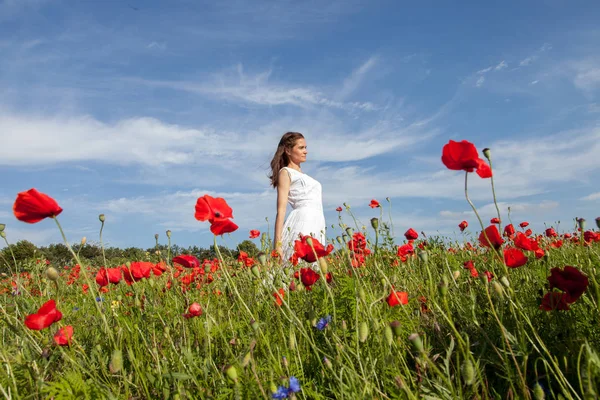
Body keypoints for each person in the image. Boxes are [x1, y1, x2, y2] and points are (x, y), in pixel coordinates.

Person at [269, 132, 326, 262]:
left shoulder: (305, 176)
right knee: (297, 265)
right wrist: (277, 245)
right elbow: (281, 210)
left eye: (305, 147)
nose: (305, 151)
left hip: (318, 221)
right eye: (301, 148)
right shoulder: (285, 172)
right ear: (288, 150)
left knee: (314, 267)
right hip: (302, 220)